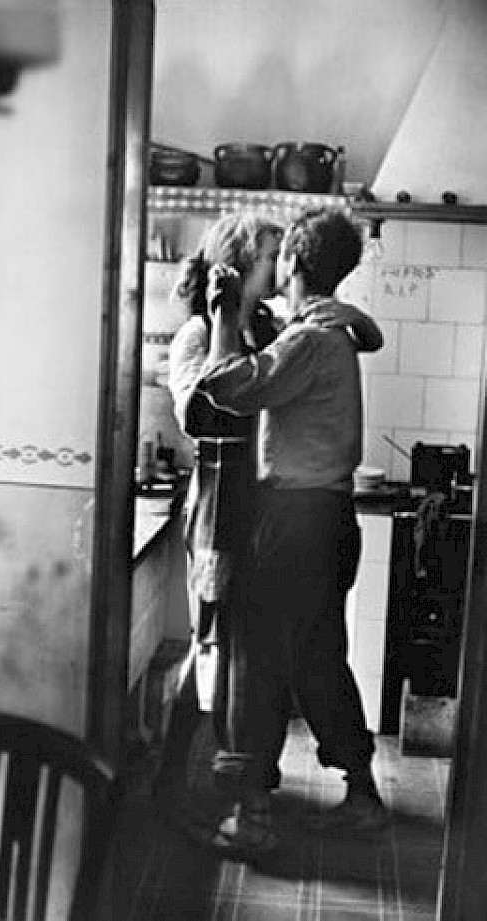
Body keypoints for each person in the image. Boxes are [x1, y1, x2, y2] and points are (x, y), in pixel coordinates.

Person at [191, 207, 385, 853]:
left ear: (297, 265)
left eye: (280, 257)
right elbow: (368, 330)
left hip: (294, 520)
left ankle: (251, 816)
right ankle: (362, 795)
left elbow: (225, 388)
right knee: (319, 657)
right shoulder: (329, 328)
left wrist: (222, 318)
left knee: (255, 659)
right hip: (329, 519)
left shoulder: (307, 339)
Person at [153, 212, 284, 814]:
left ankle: (242, 777)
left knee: (249, 647)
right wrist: (226, 323)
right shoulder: (198, 335)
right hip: (217, 510)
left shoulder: (271, 325)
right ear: (235, 266)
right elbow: (198, 418)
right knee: (213, 642)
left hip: (260, 507)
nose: (280, 267)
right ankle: (172, 770)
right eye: (269, 255)